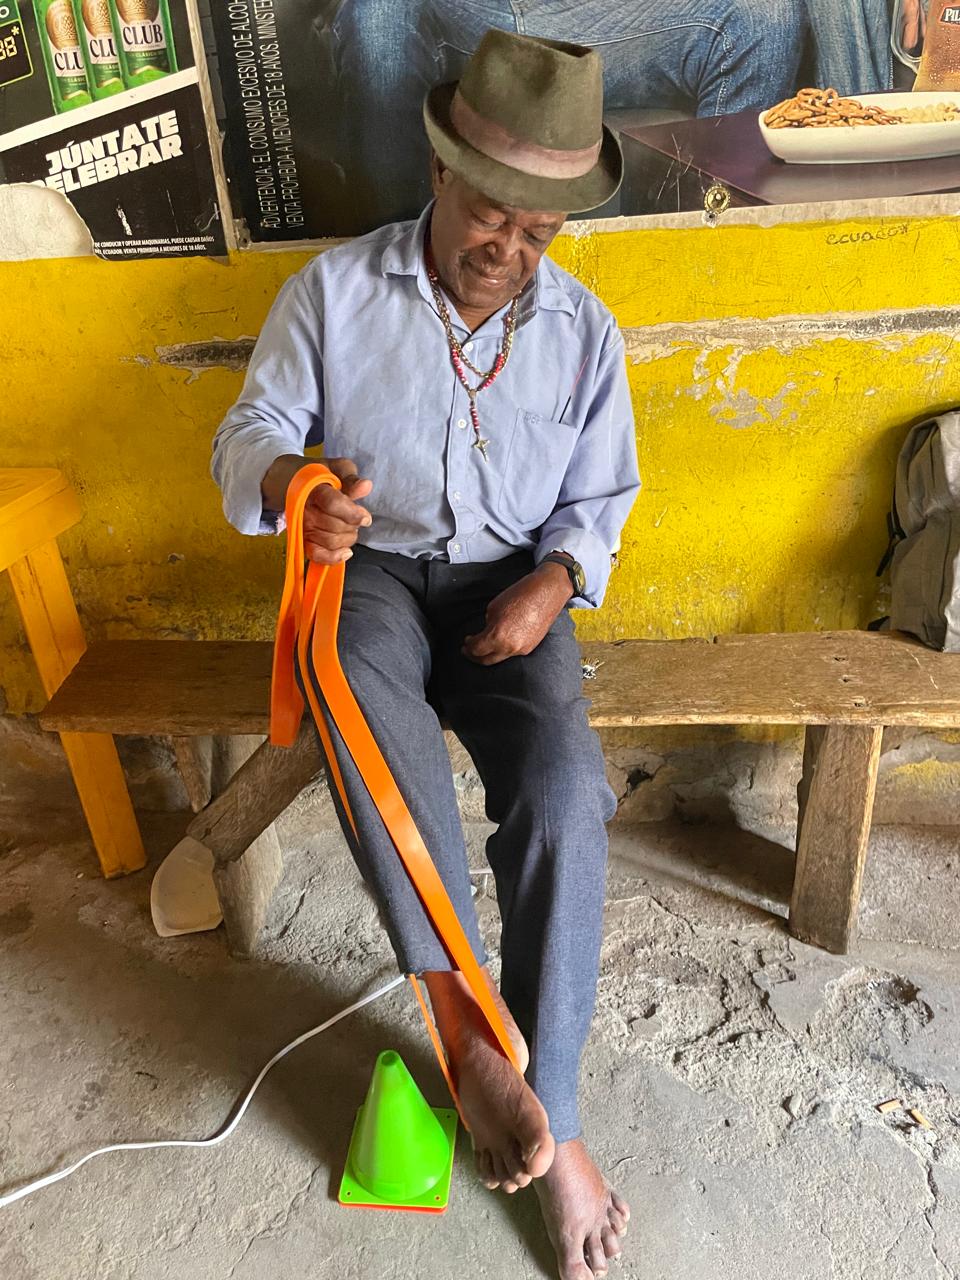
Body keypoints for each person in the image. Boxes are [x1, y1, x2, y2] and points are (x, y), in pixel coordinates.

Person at [212, 30, 640, 1280]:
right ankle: (471, 1039)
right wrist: (297, 488)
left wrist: (553, 585)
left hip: (514, 587)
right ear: (440, 170)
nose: (508, 249)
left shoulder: (585, 332)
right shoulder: (335, 293)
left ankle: (550, 1111)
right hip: (377, 574)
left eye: (539, 232)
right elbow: (249, 434)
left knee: (564, 790)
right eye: (490, 213)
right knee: (358, 707)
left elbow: (598, 502)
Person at [303, 0, 806, 232]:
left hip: (608, 14)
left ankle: (708, 255)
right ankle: (400, 271)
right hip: (461, 12)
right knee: (378, 14)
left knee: (764, 14)